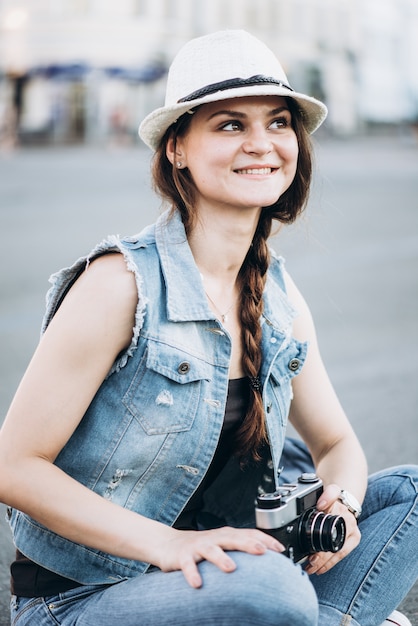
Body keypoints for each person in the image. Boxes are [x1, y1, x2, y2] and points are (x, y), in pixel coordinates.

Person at [0, 30, 416, 626]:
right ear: (177, 148)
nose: (262, 144)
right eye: (229, 125)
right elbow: (14, 466)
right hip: (88, 595)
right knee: (274, 593)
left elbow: (336, 446)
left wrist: (343, 505)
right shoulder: (122, 283)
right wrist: (167, 545)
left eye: (278, 123)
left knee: (410, 493)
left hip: (236, 569)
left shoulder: (277, 295)